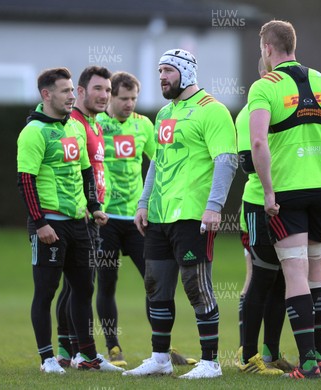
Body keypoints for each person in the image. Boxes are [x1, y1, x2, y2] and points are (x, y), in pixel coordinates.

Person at [249, 20, 321, 379]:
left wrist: (268, 191)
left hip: (288, 193)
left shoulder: (264, 86)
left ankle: (309, 361)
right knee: (317, 271)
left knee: (294, 271)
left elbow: (257, 143)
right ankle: (320, 355)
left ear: (268, 49)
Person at [124, 49, 238, 379]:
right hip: (160, 215)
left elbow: (226, 160)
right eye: (159, 71)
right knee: (155, 285)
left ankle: (210, 363)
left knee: (195, 286)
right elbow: (157, 164)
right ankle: (160, 358)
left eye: (168, 71)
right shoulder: (163, 114)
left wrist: (214, 206)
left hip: (193, 214)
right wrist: (144, 203)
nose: (161, 77)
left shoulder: (212, 110)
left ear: (186, 73)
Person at [17, 67, 122, 373]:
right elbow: (25, 181)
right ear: (46, 95)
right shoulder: (33, 132)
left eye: (71, 90)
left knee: (83, 289)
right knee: (46, 292)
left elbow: (86, 170)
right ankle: (48, 359)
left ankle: (87, 357)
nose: (71, 96)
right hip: (49, 223)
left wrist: (94, 205)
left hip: (79, 224)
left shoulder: (73, 128)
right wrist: (40, 223)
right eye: (65, 91)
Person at [236, 58, 293, 375]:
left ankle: (271, 353)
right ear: (263, 74)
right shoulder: (249, 112)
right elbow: (247, 161)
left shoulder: (289, 108)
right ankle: (248, 357)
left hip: (285, 205)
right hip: (258, 205)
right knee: (261, 277)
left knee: (283, 280)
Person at [94, 71, 155, 367]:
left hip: (135, 219)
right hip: (105, 220)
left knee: (153, 281)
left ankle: (162, 346)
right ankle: (113, 347)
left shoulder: (144, 125)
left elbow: (159, 164)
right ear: (110, 97)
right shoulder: (95, 125)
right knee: (107, 283)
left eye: (134, 98)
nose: (130, 103)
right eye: (124, 98)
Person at [55, 66, 112, 367]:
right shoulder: (73, 124)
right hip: (81, 218)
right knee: (79, 287)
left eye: (107, 90)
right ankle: (79, 352)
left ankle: (69, 351)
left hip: (93, 216)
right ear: (80, 91)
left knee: (76, 287)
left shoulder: (95, 124)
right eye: (98, 89)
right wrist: (88, 208)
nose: (105, 95)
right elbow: (75, 173)